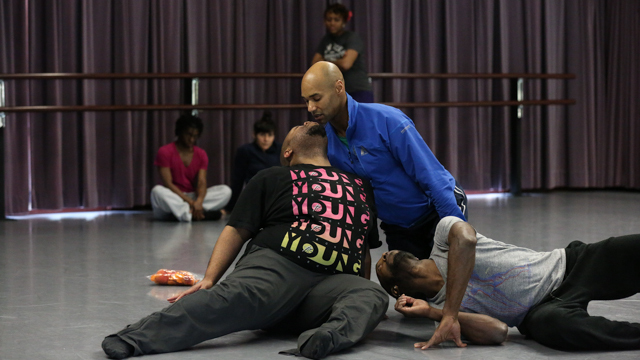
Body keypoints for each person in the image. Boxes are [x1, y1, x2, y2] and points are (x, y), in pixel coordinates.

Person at [101, 121, 389, 359]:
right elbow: (237, 229)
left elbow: (362, 246)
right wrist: (211, 279)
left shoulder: (359, 184)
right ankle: (134, 338)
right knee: (222, 301)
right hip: (279, 269)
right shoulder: (273, 177)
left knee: (372, 295)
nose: (306, 120)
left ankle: (323, 339)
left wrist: (362, 284)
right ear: (288, 152)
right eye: (299, 124)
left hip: (327, 289)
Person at [376, 216, 640, 351]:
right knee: (556, 328)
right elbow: (498, 331)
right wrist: (437, 313)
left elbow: (466, 240)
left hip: (569, 263)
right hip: (541, 312)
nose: (384, 254)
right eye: (380, 265)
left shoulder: (442, 238)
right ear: (396, 290)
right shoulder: (444, 318)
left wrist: (450, 313)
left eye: (383, 254)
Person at [301, 61, 467, 260]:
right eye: (306, 101)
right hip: (398, 226)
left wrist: (455, 230)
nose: (311, 107)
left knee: (446, 281)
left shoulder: (387, 120)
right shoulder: (325, 142)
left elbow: (432, 177)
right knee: (408, 289)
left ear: (339, 87)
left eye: (316, 98)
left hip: (437, 210)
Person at [150, 114, 231, 222]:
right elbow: (168, 184)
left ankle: (185, 214)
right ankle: (196, 215)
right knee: (157, 192)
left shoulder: (201, 154)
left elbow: (202, 181)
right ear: (180, 132)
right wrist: (191, 203)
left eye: (195, 136)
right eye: (188, 134)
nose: (192, 139)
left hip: (192, 196)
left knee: (226, 191)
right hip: (174, 196)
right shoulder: (165, 151)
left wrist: (199, 201)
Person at [312, 3, 373, 103]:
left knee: (361, 119)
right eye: (329, 19)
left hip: (357, 89)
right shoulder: (325, 40)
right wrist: (339, 60)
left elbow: (346, 64)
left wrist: (324, 61)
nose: (332, 23)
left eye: (336, 20)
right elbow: (314, 64)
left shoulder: (352, 38)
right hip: (335, 92)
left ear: (344, 21)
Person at [226, 111, 281, 212]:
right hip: (256, 195)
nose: (266, 139)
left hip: (278, 194)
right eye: (262, 135)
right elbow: (238, 180)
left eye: (270, 135)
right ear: (254, 134)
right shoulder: (245, 151)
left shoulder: (280, 149)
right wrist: (230, 207)